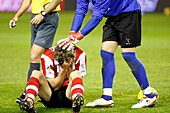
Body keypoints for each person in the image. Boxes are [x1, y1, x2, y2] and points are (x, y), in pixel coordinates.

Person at [58, 0, 157, 108]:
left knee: (128, 55)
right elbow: (80, 10)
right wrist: (72, 33)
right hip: (113, 16)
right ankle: (107, 97)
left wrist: (79, 36)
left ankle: (149, 95)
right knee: (106, 53)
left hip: (129, 12)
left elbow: (97, 16)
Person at [9, 0, 62, 103]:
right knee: (45, 58)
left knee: (34, 56)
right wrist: (16, 16)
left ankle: (27, 93)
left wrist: (42, 14)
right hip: (35, 19)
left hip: (48, 17)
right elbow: (27, 1)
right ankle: (50, 93)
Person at [19, 45, 86, 113]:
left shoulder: (80, 54)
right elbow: (54, 86)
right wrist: (63, 69)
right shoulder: (47, 56)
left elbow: (75, 81)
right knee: (35, 73)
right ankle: (29, 101)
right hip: (50, 97)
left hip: (69, 97)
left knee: (76, 73)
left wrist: (69, 67)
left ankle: (77, 101)